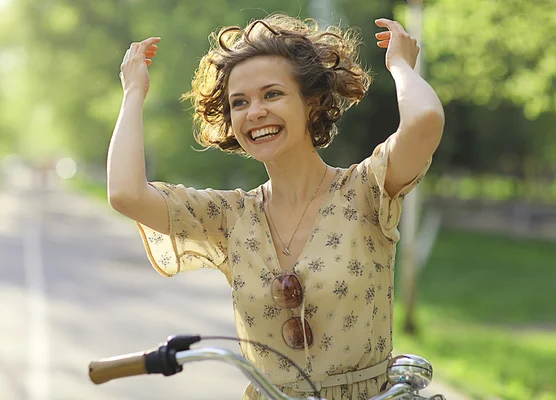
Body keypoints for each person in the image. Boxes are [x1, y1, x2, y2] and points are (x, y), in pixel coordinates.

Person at [107, 13, 444, 400]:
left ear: (311, 103)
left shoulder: (366, 189)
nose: (254, 112)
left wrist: (400, 65)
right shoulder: (230, 218)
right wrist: (133, 92)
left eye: (272, 94)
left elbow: (425, 120)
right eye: (239, 102)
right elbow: (125, 193)